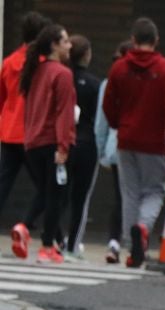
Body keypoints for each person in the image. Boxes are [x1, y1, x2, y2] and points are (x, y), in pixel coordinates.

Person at [102, 17, 165, 268]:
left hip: (126, 138)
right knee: (156, 190)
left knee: (130, 193)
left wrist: (117, 124)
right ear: (156, 41)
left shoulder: (119, 68)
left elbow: (108, 104)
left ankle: (130, 242)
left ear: (133, 40)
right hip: (154, 140)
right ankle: (142, 229)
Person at [17, 24, 75, 264]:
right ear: (54, 45)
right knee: (56, 196)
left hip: (32, 142)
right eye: (65, 41)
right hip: (52, 141)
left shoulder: (35, 71)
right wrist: (64, 145)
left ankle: (26, 227)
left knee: (46, 192)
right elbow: (64, 112)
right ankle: (46, 245)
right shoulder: (62, 74)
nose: (70, 45)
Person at [3, 11, 50, 257]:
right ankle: (27, 225)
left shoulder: (10, 61)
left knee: (3, 184)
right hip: (33, 133)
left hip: (9, 131)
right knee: (47, 187)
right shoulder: (43, 65)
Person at [62, 35, 101, 260]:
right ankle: (72, 244)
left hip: (64, 142)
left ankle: (55, 238)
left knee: (59, 194)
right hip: (87, 141)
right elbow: (99, 117)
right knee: (80, 197)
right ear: (87, 54)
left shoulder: (61, 78)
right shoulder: (95, 84)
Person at [95, 42, 132, 263]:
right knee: (138, 197)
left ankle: (114, 243)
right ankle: (136, 243)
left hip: (116, 146)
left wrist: (101, 151)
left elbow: (102, 121)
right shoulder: (148, 81)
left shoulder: (108, 84)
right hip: (146, 147)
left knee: (120, 198)